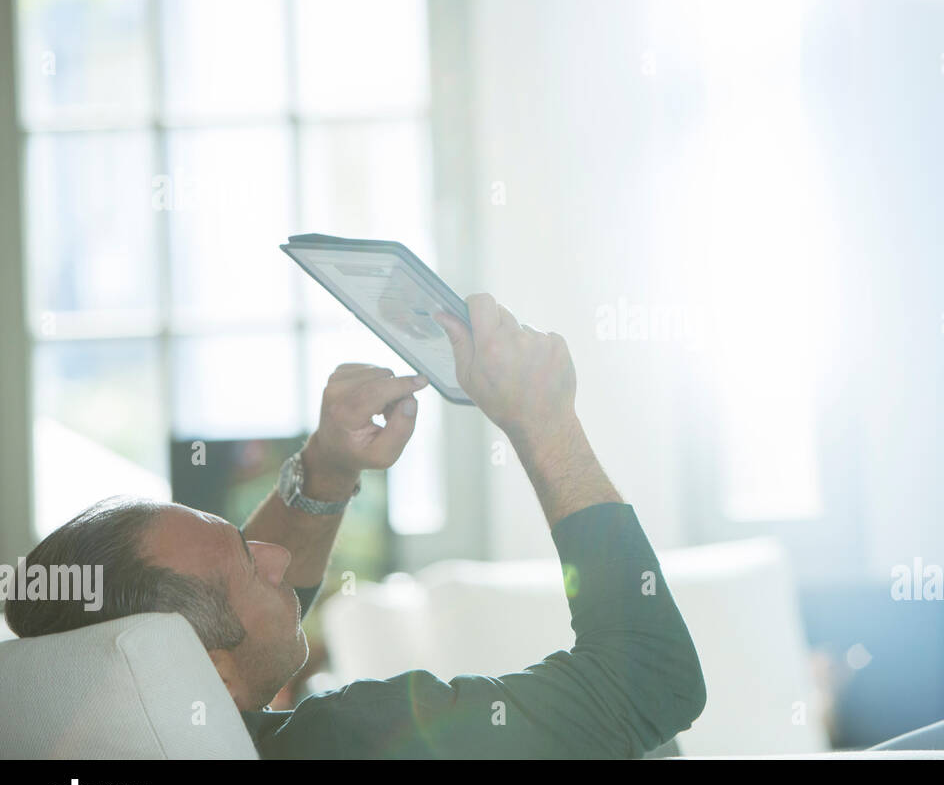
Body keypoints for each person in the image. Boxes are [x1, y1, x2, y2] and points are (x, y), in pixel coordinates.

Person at [5, 293, 707, 758]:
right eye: (248, 564)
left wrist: (327, 470)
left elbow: (245, 633)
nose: (276, 556)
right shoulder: (352, 740)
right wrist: (544, 423)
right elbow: (654, 680)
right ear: (206, 673)